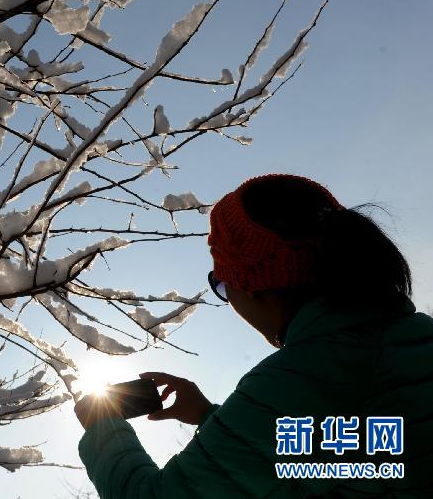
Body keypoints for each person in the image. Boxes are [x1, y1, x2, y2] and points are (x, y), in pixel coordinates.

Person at [75, 174, 433, 498]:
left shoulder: (298, 378)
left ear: (253, 285)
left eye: (222, 284)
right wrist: (209, 416)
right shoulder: (414, 338)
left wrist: (102, 425)